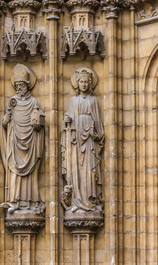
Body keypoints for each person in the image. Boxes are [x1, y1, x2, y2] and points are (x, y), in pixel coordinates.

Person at [1, 64, 45, 214]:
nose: (20, 88)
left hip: (30, 142)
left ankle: (31, 202)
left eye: (22, 85)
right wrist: (7, 116)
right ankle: (14, 200)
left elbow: (38, 120)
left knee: (30, 175)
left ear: (28, 86)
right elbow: (5, 123)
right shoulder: (12, 102)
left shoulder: (33, 102)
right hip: (15, 142)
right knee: (14, 171)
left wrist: (37, 125)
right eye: (18, 85)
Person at [61, 67, 104, 213]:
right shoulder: (73, 101)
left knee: (90, 171)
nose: (84, 85)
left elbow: (98, 123)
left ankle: (90, 202)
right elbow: (67, 121)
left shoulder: (93, 101)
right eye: (81, 82)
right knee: (76, 171)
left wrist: (98, 135)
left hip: (89, 141)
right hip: (76, 141)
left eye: (86, 82)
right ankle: (77, 201)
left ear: (90, 84)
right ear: (77, 84)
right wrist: (66, 121)